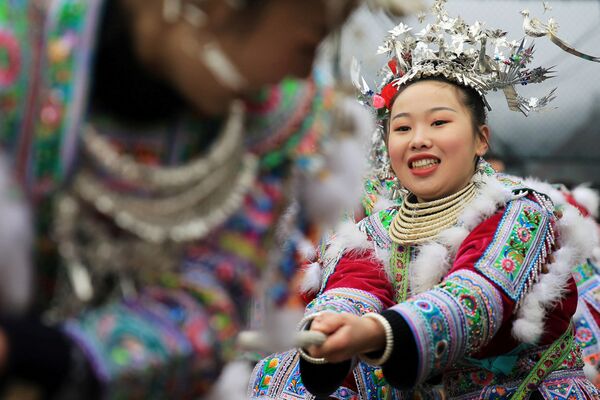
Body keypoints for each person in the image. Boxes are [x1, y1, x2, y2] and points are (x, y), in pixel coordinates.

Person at [0, 0, 393, 398]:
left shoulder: (272, 122)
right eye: (309, 42)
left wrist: (45, 355)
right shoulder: (15, 41)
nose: (302, 70)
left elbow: (209, 308)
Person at [248, 1, 600, 398]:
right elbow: (354, 288)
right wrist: (330, 328)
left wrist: (374, 332)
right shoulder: (373, 233)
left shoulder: (521, 210)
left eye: (439, 122)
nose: (418, 139)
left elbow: (476, 297)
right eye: (402, 127)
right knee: (287, 367)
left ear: (481, 139)